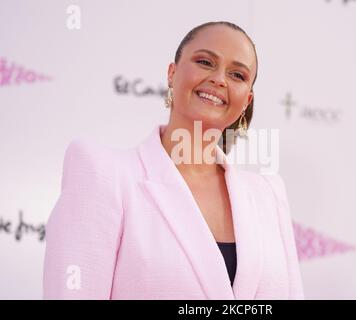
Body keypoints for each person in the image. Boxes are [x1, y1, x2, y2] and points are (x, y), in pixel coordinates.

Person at [43, 21, 304, 300]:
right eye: (205, 62)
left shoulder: (269, 194)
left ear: (246, 100)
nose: (219, 79)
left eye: (237, 75)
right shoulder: (104, 174)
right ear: (172, 73)